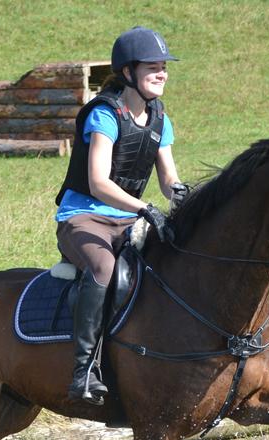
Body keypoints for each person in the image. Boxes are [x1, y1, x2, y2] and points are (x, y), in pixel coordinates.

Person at [55, 26, 189, 405]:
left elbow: (168, 180)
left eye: (164, 67)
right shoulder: (105, 114)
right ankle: (84, 371)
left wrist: (183, 194)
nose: (162, 73)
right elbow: (98, 183)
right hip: (83, 218)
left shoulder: (160, 118)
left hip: (128, 220)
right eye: (153, 67)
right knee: (103, 269)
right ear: (128, 72)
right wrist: (144, 207)